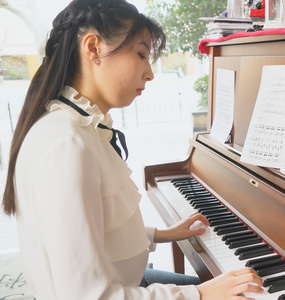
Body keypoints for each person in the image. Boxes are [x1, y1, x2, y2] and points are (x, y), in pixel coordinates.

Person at [1, 0, 263, 299]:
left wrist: (160, 235)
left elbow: (98, 231)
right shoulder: (67, 144)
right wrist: (200, 294)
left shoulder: (74, 124)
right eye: (141, 55)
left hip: (125, 282)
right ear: (93, 48)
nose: (150, 73)